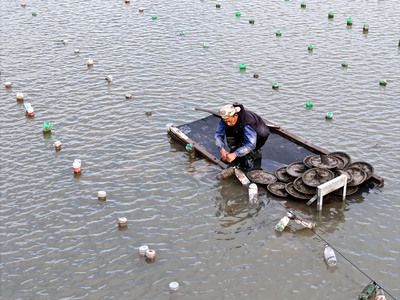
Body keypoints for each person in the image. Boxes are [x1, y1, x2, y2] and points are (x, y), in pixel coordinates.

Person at [215, 103, 270, 171]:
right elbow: (218, 134)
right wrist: (221, 149)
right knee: (234, 142)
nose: (228, 124)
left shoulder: (248, 123)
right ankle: (236, 149)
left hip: (258, 134)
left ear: (235, 115)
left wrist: (235, 154)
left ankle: (253, 152)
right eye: (225, 121)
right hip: (239, 128)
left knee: (252, 148)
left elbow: (251, 144)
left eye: (229, 121)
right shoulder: (226, 119)